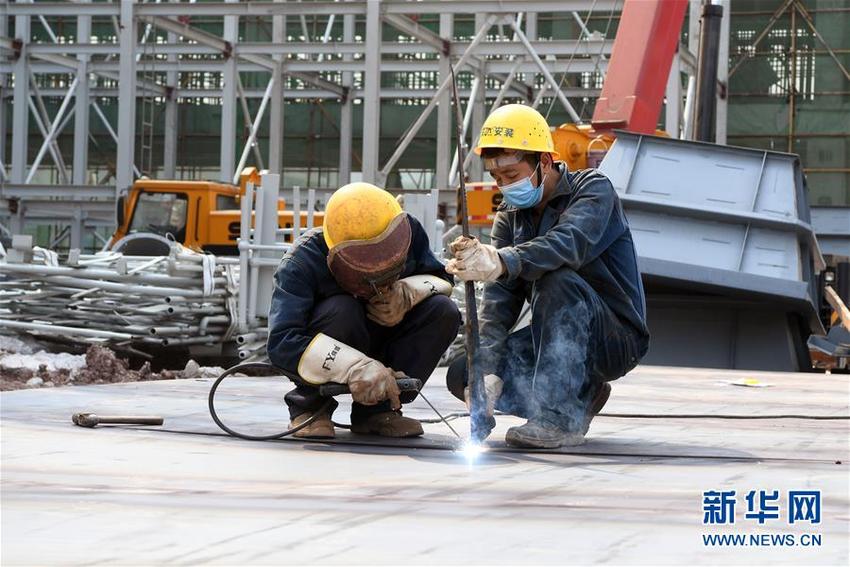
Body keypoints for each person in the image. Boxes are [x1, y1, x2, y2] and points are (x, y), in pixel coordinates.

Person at [446, 104, 650, 449]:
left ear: (543, 161)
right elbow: (498, 305)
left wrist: (502, 260)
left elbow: (567, 244)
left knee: (556, 279)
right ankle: (581, 395)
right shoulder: (510, 218)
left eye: (511, 175)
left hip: (613, 339)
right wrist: (487, 374)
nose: (504, 185)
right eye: (496, 177)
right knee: (464, 369)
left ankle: (558, 417)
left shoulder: (593, 190)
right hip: (554, 336)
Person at [267, 182, 461, 439]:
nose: (382, 286)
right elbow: (282, 342)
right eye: (372, 279)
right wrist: (355, 367)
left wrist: (407, 294)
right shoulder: (301, 263)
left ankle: (379, 411)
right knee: (342, 309)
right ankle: (311, 408)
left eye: (390, 272)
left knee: (442, 310)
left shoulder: (407, 231)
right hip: (337, 341)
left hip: (386, 337)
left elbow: (442, 279)